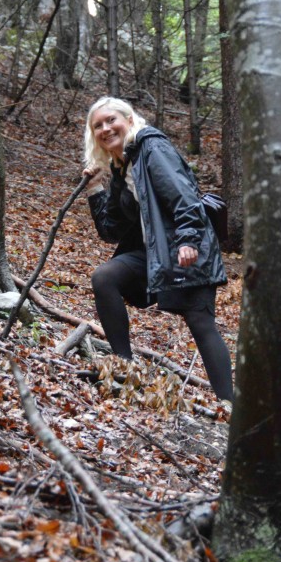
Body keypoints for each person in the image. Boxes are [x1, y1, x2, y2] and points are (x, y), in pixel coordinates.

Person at [83, 95, 233, 408]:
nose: (106, 128)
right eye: (98, 125)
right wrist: (95, 189)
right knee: (105, 277)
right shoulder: (121, 168)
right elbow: (111, 231)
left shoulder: (152, 147)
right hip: (156, 253)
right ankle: (123, 367)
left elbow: (184, 196)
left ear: (128, 120)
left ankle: (228, 404)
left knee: (200, 322)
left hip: (188, 244)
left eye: (112, 120)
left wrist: (189, 239)